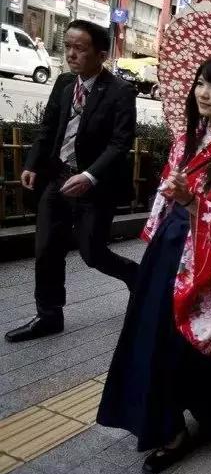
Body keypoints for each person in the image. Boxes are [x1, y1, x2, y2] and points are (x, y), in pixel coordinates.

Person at [97, 56, 211, 474]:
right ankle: (169, 426)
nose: (203, 94)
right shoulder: (188, 138)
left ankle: (207, 408)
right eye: (200, 84)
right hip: (169, 251)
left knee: (182, 344)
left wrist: (192, 201)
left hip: (206, 261)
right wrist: (173, 192)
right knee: (152, 336)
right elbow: (170, 192)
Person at [6, 20, 138, 343]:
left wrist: (90, 176)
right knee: (46, 247)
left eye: (80, 48)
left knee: (92, 253)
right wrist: (33, 164)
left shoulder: (120, 92)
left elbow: (120, 144)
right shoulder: (65, 83)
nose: (71, 54)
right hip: (58, 179)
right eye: (67, 46)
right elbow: (49, 128)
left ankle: (136, 276)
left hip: (94, 186)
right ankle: (49, 315)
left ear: (101, 54)